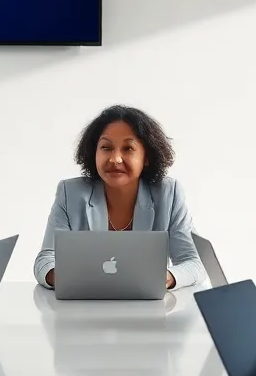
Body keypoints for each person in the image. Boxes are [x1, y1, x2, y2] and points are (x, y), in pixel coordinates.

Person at [35, 105, 206, 289]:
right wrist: (65, 277)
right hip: (85, 308)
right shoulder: (70, 192)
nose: (115, 159)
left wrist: (168, 277)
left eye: (128, 148)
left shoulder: (169, 193)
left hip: (148, 311)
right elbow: (45, 259)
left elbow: (194, 263)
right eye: (106, 147)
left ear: (146, 157)